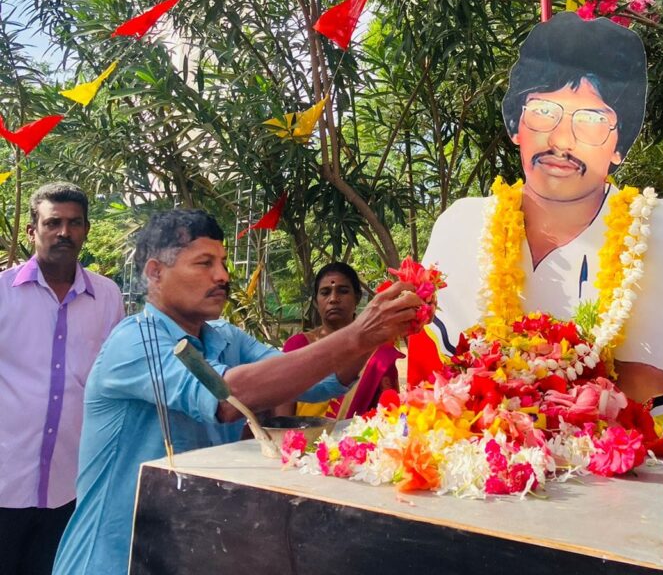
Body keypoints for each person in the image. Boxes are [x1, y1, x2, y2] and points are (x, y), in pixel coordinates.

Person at [409, 12, 663, 447]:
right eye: (543, 112)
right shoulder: (460, 229)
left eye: (592, 121)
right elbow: (432, 404)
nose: (562, 141)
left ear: (620, 145)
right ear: (515, 125)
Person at [53, 209, 420, 575]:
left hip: (185, 553)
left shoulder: (225, 337)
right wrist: (357, 335)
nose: (223, 276)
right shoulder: (135, 341)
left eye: (223, 263)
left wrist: (377, 335)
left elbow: (315, 383)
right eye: (204, 263)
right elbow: (225, 397)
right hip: (113, 561)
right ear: (155, 273)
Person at [0, 183, 124, 575]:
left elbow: (113, 379)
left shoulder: (108, 297)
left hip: (72, 486)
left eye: (74, 223)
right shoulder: (2, 294)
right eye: (53, 223)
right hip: (5, 480)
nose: (64, 232)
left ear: (86, 229)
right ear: (31, 230)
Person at [277, 262, 399, 419]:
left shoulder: (377, 352)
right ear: (316, 302)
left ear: (357, 298)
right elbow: (282, 412)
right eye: (325, 292)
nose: (334, 299)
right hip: (301, 434)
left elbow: (389, 415)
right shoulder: (298, 345)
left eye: (343, 291)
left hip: (359, 434)